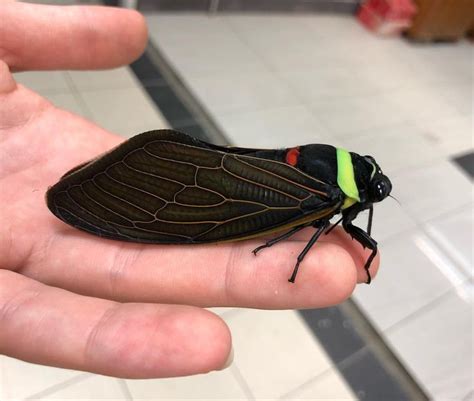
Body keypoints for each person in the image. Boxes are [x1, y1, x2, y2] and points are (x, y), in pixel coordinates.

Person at [0, 1, 379, 379]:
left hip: (256, 172)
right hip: (237, 193)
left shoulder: (332, 184)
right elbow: (308, 225)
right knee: (217, 199)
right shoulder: (328, 196)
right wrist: (294, 252)